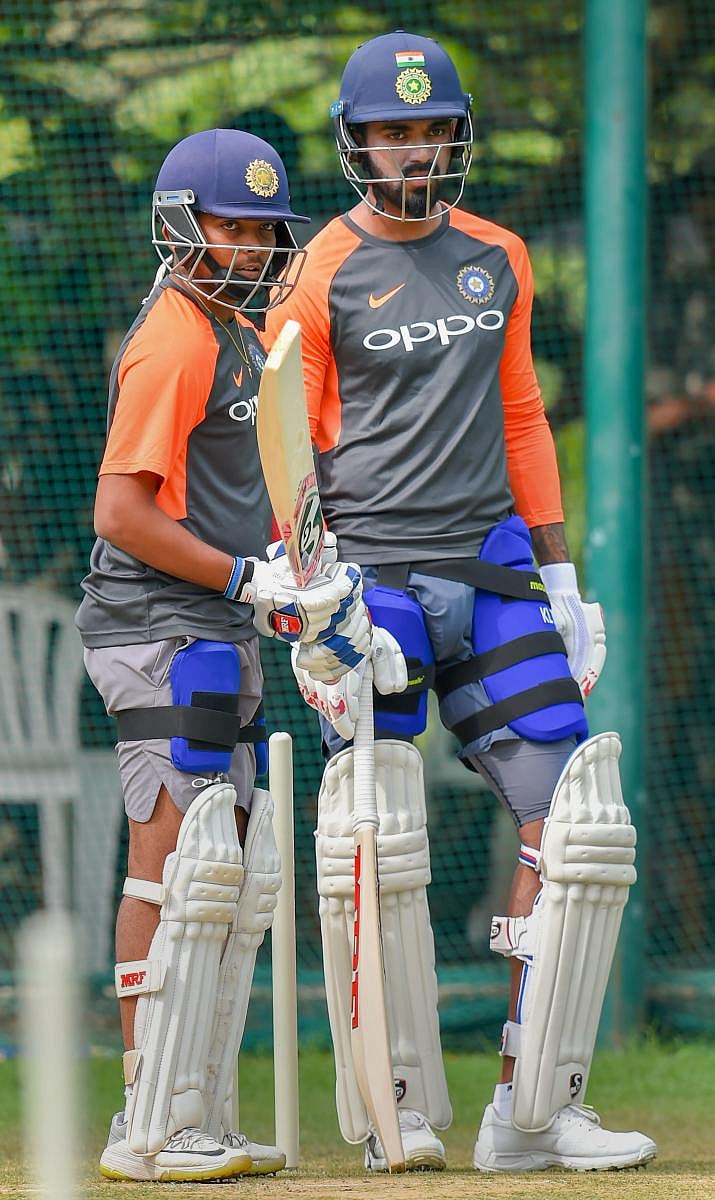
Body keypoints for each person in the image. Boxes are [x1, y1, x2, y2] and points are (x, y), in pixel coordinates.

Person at [265, 32, 657, 1174]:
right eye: (391, 130)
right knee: (370, 816)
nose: (413, 147)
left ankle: (532, 1108)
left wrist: (564, 575)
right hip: (369, 578)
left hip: (489, 570)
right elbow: (285, 443)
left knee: (576, 818)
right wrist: (311, 598)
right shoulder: (320, 269)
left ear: (455, 133)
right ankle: (398, 1102)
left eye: (429, 127)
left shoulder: (498, 255)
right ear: (356, 143)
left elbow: (523, 414)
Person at [76, 127, 371, 1182]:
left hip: (217, 625)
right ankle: (141, 1115)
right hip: (153, 628)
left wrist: (312, 594)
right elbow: (118, 510)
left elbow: (273, 497)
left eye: (261, 229)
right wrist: (251, 582)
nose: (248, 246)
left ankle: (189, 1106)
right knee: (174, 859)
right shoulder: (178, 340)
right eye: (229, 226)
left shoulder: (244, 338)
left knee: (231, 869)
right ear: (180, 228)